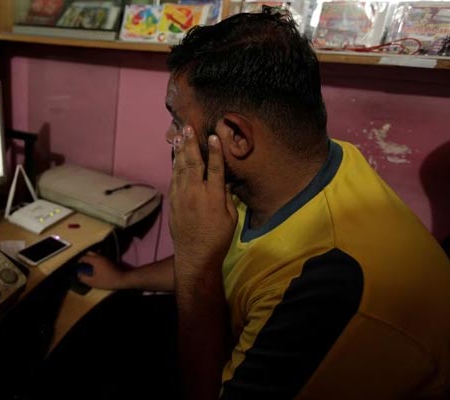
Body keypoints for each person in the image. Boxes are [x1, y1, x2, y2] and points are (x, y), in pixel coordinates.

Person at [38, 9, 450, 400]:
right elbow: (234, 261)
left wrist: (195, 253)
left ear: (236, 135)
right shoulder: (307, 165)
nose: (170, 136)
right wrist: (127, 278)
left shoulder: (329, 284)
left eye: (178, 120)